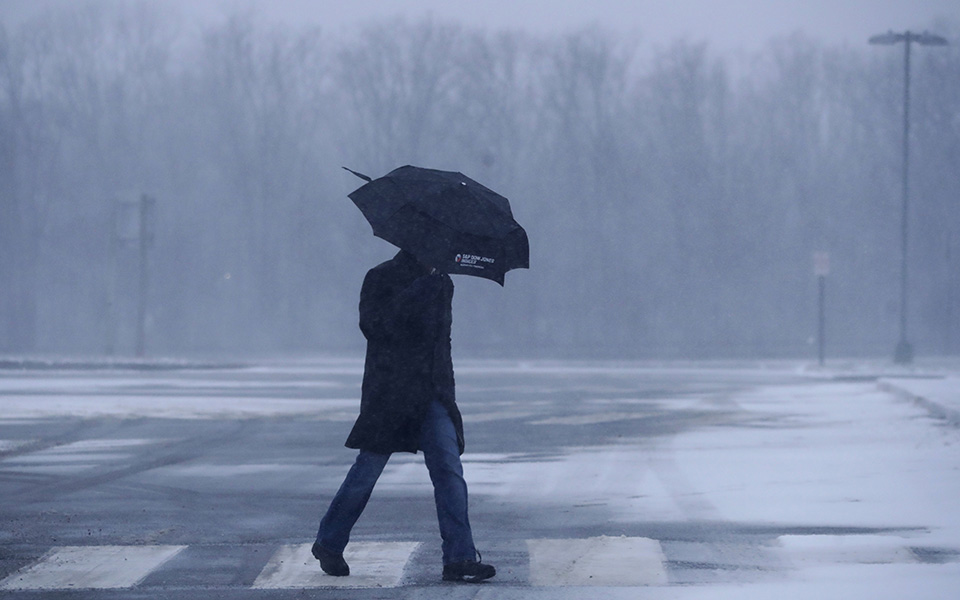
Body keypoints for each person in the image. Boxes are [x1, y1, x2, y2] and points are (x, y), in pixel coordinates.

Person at [312, 249, 496, 583]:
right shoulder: (382, 276)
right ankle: (329, 542)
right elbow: (375, 327)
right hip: (391, 393)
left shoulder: (442, 283)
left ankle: (460, 557)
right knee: (367, 471)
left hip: (432, 393)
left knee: (449, 472)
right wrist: (417, 290)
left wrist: (448, 396)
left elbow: (443, 343)